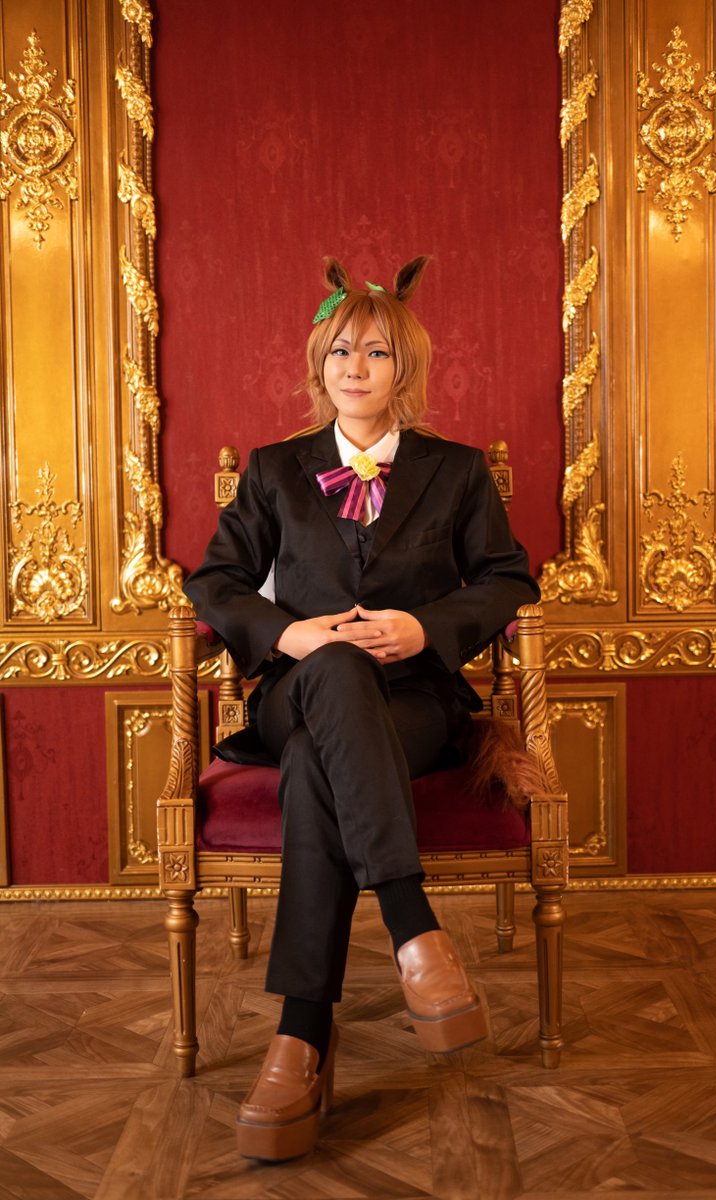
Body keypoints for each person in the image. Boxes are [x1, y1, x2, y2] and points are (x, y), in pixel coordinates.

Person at [184, 256, 539, 1161]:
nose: (355, 367)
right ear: (319, 363)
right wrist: (291, 634)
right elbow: (214, 581)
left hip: (413, 703)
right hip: (295, 691)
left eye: (376, 352)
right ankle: (415, 928)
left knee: (317, 764)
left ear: (402, 368)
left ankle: (299, 1038)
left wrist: (424, 627)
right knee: (332, 669)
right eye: (341, 350)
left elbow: (508, 579)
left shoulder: (458, 472)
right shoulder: (274, 470)